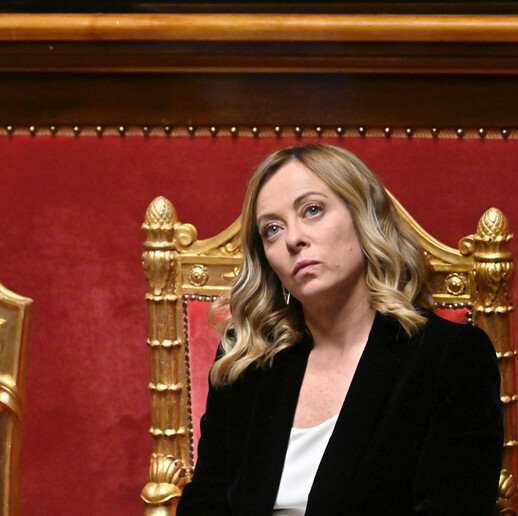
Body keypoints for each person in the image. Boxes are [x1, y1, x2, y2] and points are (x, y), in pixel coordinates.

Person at [177, 144, 503, 516]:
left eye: (312, 210)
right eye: (272, 229)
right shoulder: (249, 357)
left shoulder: (451, 357)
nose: (293, 239)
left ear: (362, 217)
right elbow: (206, 501)